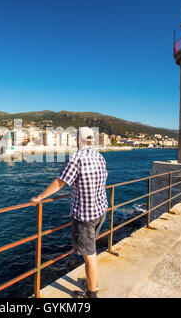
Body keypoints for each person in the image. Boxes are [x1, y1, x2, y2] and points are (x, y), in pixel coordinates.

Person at [31, 127, 108, 298]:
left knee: (89, 255)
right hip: (101, 211)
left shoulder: (77, 158)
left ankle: (91, 293)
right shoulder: (100, 157)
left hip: (85, 217)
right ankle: (91, 281)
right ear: (91, 140)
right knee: (91, 250)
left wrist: (40, 197)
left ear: (77, 140)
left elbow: (60, 183)